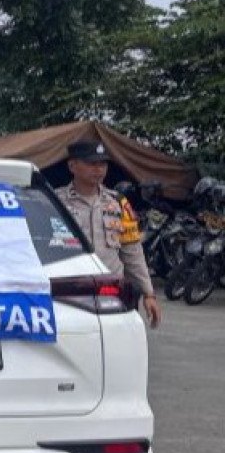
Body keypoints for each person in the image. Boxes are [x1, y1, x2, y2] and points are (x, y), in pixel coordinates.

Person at [55, 140, 162, 328]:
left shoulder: (118, 203)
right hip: (70, 294)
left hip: (111, 292)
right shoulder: (55, 202)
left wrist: (148, 294)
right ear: (72, 166)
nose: (99, 169)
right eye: (91, 163)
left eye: (103, 164)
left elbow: (132, 252)